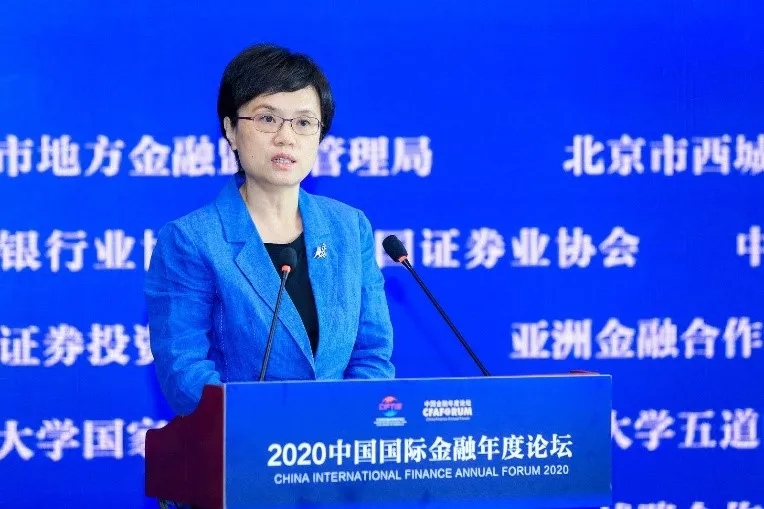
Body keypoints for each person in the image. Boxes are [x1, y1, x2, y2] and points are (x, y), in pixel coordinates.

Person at [143, 43, 395, 416]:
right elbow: (184, 371)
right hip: (244, 445)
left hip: (339, 441)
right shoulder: (191, 240)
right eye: (267, 118)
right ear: (231, 130)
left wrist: (343, 426)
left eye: (304, 123)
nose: (285, 137)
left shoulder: (348, 227)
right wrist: (269, 432)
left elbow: (372, 354)